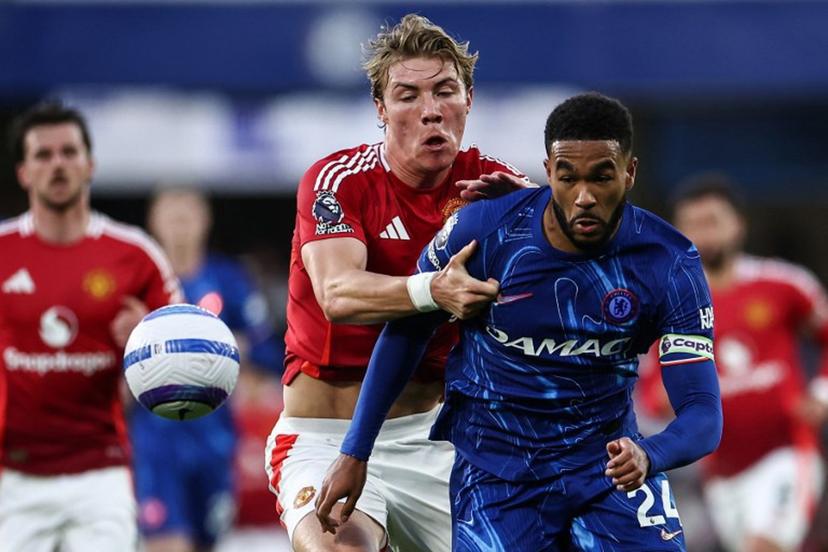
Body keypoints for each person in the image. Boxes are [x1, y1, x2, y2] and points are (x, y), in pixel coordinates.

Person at [316, 92, 724, 551]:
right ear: (548, 172)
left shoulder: (669, 263)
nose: (584, 196)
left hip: (609, 467)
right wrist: (356, 450)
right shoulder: (484, 232)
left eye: (602, 177)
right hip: (497, 475)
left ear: (629, 172)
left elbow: (703, 413)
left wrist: (650, 454)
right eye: (568, 177)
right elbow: (407, 330)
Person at [264, 13, 531, 552]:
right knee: (340, 547)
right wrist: (433, 290)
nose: (430, 110)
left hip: (440, 440)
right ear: (381, 110)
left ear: (469, 100)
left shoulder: (497, 189)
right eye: (407, 95)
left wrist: (539, 221)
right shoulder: (338, 181)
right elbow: (338, 294)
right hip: (323, 435)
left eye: (445, 91)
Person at [0, 102, 181, 551]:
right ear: (24, 173)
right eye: (43, 155)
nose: (57, 164)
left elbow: (187, 363)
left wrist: (151, 336)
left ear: (90, 165)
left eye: (68, 152)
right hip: (13, 475)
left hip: (102, 473)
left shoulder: (135, 255)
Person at [637, 175, 828, 552]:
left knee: (764, 546)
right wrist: (662, 400)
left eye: (713, 221)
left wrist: (822, 394)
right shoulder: (670, 306)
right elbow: (650, 393)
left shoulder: (784, 285)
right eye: (693, 224)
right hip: (720, 474)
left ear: (738, 224)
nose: (704, 234)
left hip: (785, 454)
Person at [132, 187, 283, 552]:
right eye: (172, 215)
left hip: (215, 441)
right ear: (155, 222)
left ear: (205, 220)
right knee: (168, 543)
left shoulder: (229, 280)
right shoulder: (137, 281)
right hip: (156, 445)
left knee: (206, 544)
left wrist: (225, 348)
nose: (180, 225)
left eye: (188, 215)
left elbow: (269, 354)